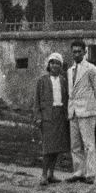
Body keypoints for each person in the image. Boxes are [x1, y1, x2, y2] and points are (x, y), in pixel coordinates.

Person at [66, 39, 96, 184]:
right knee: (75, 144)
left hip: (87, 111)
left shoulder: (92, 69)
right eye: (74, 52)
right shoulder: (70, 70)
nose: (76, 54)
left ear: (85, 52)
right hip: (73, 111)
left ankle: (90, 174)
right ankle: (78, 172)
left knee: (88, 144)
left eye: (79, 52)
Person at [32, 52, 69, 185]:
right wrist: (37, 116)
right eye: (52, 62)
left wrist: (67, 116)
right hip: (47, 116)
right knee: (48, 148)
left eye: (57, 63)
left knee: (57, 147)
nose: (55, 65)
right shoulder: (42, 80)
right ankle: (43, 175)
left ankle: (51, 174)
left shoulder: (63, 80)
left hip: (60, 115)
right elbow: (36, 100)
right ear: (49, 64)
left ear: (61, 65)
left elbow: (66, 99)